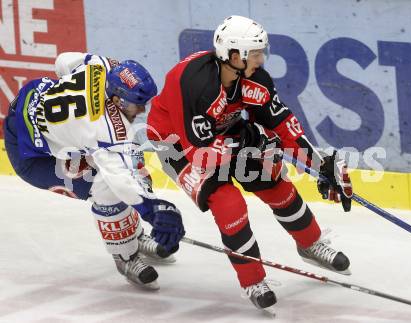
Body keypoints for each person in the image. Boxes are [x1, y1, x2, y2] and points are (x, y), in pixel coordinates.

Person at [146, 15, 353, 309]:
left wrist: (321, 164)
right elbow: (198, 151)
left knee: (274, 180)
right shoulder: (194, 83)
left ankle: (310, 243)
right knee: (229, 202)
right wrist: (247, 147)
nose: (261, 59)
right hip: (175, 143)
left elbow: (283, 123)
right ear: (233, 55)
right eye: (255, 53)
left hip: (221, 131)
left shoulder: (254, 79)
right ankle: (252, 280)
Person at [3, 52, 185, 290]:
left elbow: (63, 61)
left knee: (129, 172)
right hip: (31, 155)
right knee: (104, 188)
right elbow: (121, 182)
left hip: (30, 100)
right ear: (118, 99)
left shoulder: (103, 66)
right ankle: (125, 256)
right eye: (137, 104)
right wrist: (153, 210)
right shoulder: (103, 128)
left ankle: (135, 235)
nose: (141, 110)